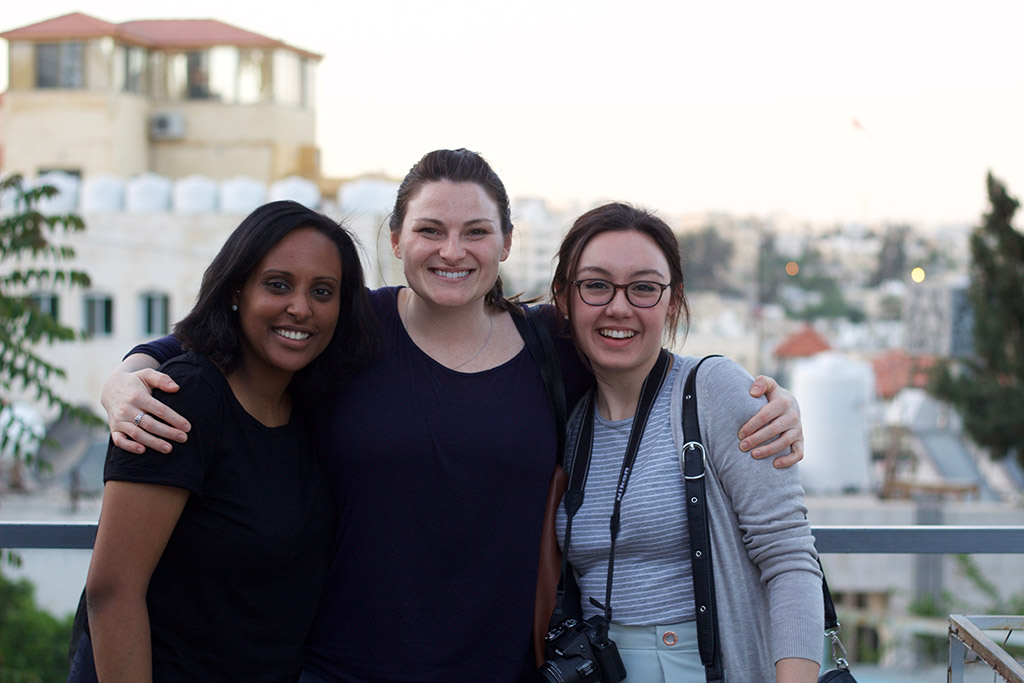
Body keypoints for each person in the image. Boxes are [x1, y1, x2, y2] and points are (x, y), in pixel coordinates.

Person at [98, 149, 806, 682]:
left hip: (507, 669)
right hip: (340, 665)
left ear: (505, 242)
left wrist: (769, 397)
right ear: (397, 238)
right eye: (430, 229)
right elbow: (224, 339)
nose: (452, 250)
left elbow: (636, 337)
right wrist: (130, 372)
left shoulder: (551, 342)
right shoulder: (349, 325)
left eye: (476, 231)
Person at [67, 201, 378, 682]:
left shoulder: (310, 407)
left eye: (323, 291)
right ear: (237, 288)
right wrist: (129, 368)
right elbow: (112, 593)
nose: (301, 307)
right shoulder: (185, 398)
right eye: (278, 284)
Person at [549, 203, 822, 682]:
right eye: (595, 285)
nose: (619, 306)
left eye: (643, 288)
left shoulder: (712, 390)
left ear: (672, 302)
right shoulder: (565, 421)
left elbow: (790, 559)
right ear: (564, 299)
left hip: (704, 665)